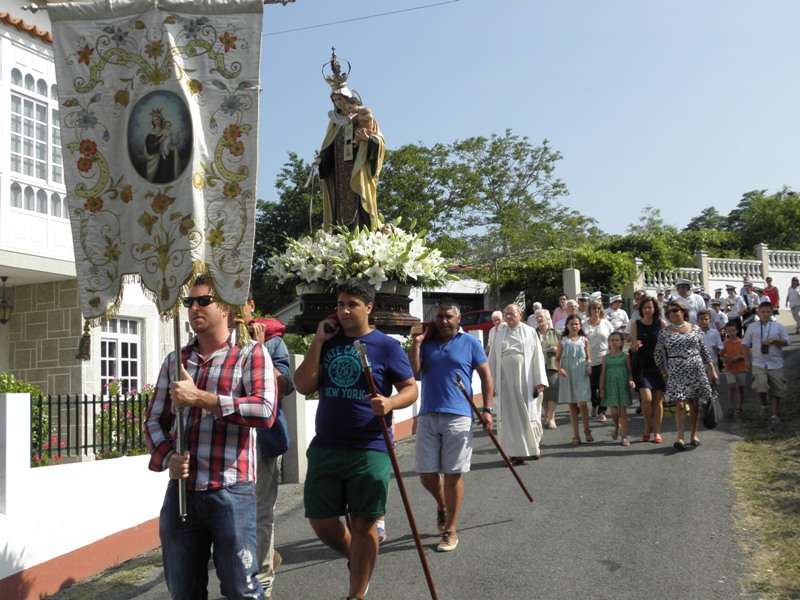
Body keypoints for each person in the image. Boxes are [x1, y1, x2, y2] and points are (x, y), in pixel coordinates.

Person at [144, 275, 276, 600]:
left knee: (241, 589)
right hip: (182, 493)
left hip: (231, 490)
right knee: (184, 591)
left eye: (204, 301)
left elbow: (265, 410)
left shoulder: (250, 354)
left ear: (227, 307)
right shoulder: (176, 360)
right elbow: (153, 421)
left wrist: (202, 399)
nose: (194, 308)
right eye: (190, 302)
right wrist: (167, 457)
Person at [293, 280, 417, 600]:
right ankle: (358, 557)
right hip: (327, 445)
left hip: (370, 446)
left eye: (352, 304)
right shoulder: (329, 342)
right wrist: (318, 341)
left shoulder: (386, 346)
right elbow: (303, 385)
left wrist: (390, 404)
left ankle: (356, 593)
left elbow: (410, 388)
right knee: (320, 519)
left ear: (369, 308)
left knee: (364, 523)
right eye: (340, 304)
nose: (344, 310)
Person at [408, 300, 494, 553]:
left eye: (448, 316)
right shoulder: (428, 342)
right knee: (426, 474)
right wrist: (416, 345)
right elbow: (415, 373)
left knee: (453, 473)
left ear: (458, 319)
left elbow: (486, 377)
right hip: (428, 414)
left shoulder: (470, 343)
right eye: (439, 316)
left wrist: (487, 409)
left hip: (459, 415)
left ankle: (451, 529)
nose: (443, 321)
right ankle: (442, 505)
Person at [238, 293, 293, 599]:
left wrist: (257, 349)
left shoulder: (272, 340)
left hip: (262, 437)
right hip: (229, 439)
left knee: (260, 511)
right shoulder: (219, 339)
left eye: (239, 301)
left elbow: (283, 385)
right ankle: (263, 557)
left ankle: (262, 581)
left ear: (251, 305)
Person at [488, 303, 548, 464]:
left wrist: (540, 380)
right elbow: (492, 359)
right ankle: (514, 454)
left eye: (511, 314)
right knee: (509, 418)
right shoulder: (499, 333)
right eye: (506, 314)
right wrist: (491, 383)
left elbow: (537, 357)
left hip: (525, 381)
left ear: (520, 315)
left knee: (530, 414)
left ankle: (533, 448)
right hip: (505, 382)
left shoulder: (529, 332)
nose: (508, 317)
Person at [655, 300, 717, 450]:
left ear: (683, 311)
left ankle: (694, 435)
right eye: (669, 312)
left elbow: (703, 351)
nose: (673, 314)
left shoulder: (695, 329)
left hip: (695, 368)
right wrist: (664, 372)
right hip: (676, 371)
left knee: (694, 404)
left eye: (676, 310)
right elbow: (657, 354)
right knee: (680, 404)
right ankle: (680, 437)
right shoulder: (665, 332)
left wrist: (712, 369)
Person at [742, 300, 789, 425]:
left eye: (768, 312)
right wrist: (747, 360)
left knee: (777, 390)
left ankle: (775, 414)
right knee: (761, 386)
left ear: (771, 312)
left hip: (775, 363)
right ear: (758, 312)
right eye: (763, 312)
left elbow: (786, 342)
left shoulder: (778, 326)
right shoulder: (752, 327)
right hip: (758, 363)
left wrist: (775, 341)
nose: (766, 314)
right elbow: (745, 344)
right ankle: (764, 404)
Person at [630, 295, 666, 443]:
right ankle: (647, 427)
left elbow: (666, 345)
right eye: (645, 307)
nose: (647, 310)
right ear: (641, 309)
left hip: (658, 366)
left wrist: (666, 368)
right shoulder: (635, 324)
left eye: (650, 307)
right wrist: (634, 346)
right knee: (646, 399)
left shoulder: (661, 323)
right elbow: (632, 347)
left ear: (654, 309)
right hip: (642, 365)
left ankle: (657, 432)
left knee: (657, 401)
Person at [556, 314, 593, 445]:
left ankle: (587, 430)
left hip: (581, 372)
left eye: (576, 323)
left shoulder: (584, 339)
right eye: (571, 324)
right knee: (572, 406)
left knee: (583, 404)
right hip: (568, 373)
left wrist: (588, 366)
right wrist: (559, 369)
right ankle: (576, 435)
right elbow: (557, 358)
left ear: (580, 326)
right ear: (567, 326)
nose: (574, 326)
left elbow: (588, 357)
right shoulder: (563, 340)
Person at [599, 332, 636, 447]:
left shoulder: (625, 356)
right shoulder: (605, 358)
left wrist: (631, 380)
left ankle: (624, 436)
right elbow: (603, 374)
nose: (614, 342)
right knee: (614, 412)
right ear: (609, 342)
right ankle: (616, 427)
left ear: (621, 343)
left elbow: (630, 372)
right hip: (610, 386)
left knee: (622, 412)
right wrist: (601, 388)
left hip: (622, 385)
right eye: (612, 340)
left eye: (617, 340)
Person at [584, 300, 615, 421]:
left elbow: (614, 338)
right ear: (590, 310)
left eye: (598, 309)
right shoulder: (584, 324)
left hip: (604, 358)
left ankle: (602, 411)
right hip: (590, 359)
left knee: (604, 386)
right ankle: (594, 405)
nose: (596, 311)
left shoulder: (606, 323)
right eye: (593, 309)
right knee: (592, 386)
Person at [534, 308, 560, 429]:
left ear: (546, 319)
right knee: (542, 392)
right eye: (537, 317)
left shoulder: (554, 332)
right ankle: (547, 414)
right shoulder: (533, 333)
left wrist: (556, 350)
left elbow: (561, 347)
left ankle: (551, 417)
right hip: (538, 366)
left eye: (541, 317)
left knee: (553, 392)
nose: (539, 319)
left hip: (552, 365)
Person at [720, 321, 747, 417]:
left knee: (740, 388)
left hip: (741, 369)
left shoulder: (742, 342)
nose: (731, 333)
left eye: (733, 331)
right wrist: (725, 359)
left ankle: (739, 407)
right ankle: (731, 407)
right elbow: (721, 355)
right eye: (729, 331)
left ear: (737, 331)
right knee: (732, 387)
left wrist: (739, 357)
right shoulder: (726, 343)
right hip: (730, 369)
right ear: (726, 332)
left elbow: (747, 355)